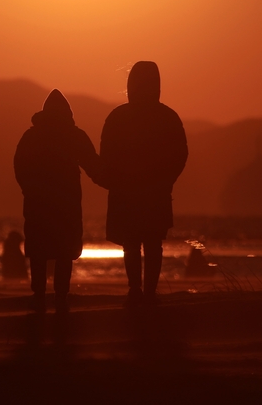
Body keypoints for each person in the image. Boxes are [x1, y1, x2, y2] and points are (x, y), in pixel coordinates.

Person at [98, 62, 187, 307]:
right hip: (154, 192)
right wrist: (166, 180)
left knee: (133, 243)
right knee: (151, 244)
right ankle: (147, 291)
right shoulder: (168, 117)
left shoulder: (118, 117)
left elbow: (106, 155)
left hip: (129, 193)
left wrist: (114, 179)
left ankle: (136, 290)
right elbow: (181, 155)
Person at [14, 89, 100, 313]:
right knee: (64, 252)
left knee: (40, 252)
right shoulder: (74, 135)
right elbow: (94, 167)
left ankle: (39, 296)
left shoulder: (31, 136)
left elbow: (19, 168)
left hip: (38, 205)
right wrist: (118, 180)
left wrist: (29, 190)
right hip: (66, 206)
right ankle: (61, 297)